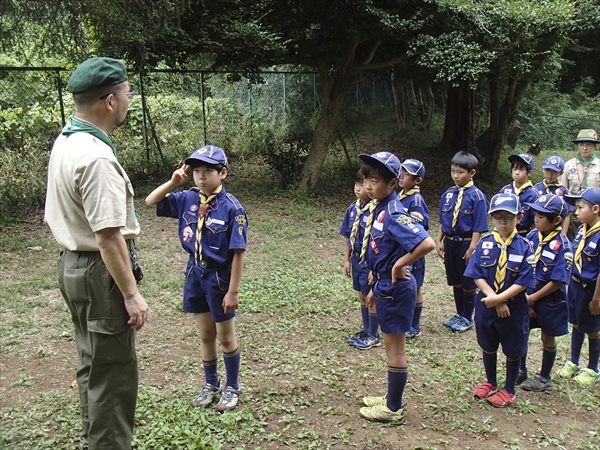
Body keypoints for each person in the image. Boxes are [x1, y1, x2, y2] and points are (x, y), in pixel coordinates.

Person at [44, 57, 149, 450]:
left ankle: (96, 442)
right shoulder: (97, 158)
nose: (128, 101)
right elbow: (108, 237)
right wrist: (131, 294)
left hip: (72, 267)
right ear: (109, 101)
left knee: (93, 363)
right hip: (98, 272)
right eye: (126, 94)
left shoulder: (67, 140)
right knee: (114, 374)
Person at [145, 145, 248, 410]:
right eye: (197, 171)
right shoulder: (187, 199)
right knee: (205, 334)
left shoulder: (232, 209)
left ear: (223, 173)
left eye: (208, 171)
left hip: (219, 279)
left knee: (225, 336)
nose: (201, 177)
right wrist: (173, 181)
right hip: (195, 274)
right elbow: (151, 201)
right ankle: (211, 384)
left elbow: (238, 253)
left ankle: (232, 387)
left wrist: (233, 291)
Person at [357, 151, 435, 425]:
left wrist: (398, 264)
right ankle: (391, 397)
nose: (368, 186)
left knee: (396, 350)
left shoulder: (393, 212)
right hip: (383, 284)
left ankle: (393, 408)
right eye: (367, 179)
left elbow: (426, 243)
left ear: (393, 184)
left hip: (396, 288)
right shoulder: (378, 208)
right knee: (391, 348)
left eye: (375, 181)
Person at [464, 193, 535, 407]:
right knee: (488, 344)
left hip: (513, 309)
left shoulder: (525, 246)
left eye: (508, 216)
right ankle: (491, 382)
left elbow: (524, 281)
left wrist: (502, 299)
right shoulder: (485, 244)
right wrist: (493, 298)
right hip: (486, 305)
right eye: (498, 216)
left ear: (519, 217)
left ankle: (510, 389)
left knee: (513, 348)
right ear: (490, 218)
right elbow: (476, 274)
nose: (503, 221)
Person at [519, 195, 572, 391]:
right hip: (527, 295)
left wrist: (533, 299)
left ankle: (544, 377)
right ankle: (520, 369)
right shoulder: (532, 237)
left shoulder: (564, 246)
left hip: (550, 301)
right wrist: (527, 298)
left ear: (557, 220)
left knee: (547, 337)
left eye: (542, 216)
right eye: (536, 214)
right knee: (522, 331)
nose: (536, 218)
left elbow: (558, 281)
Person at [436, 151, 489, 333]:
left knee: (467, 281)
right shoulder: (448, 194)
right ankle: (459, 314)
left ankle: (467, 316)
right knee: (455, 280)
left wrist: (473, 247)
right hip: (450, 243)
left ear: (471, 173)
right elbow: (443, 220)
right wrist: (439, 240)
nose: (455, 176)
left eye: (460, 172)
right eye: (453, 171)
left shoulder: (477, 197)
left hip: (467, 243)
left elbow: (479, 225)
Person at [558, 188, 600, 384]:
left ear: (596, 209)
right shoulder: (582, 230)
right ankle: (574, 361)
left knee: (592, 328)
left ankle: (593, 368)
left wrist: (596, 299)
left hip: (592, 290)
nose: (576, 212)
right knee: (576, 323)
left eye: (580, 208)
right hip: (575, 285)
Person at [339, 171, 381, 349]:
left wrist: (374, 268)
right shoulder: (353, 209)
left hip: (369, 262)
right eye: (356, 184)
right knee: (362, 295)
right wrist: (347, 260)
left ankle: (374, 334)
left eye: (362, 184)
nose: (358, 188)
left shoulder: (376, 211)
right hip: (356, 259)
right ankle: (366, 330)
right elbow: (348, 236)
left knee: (371, 297)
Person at [398, 158, 429, 339]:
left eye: (407, 174)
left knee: (415, 287)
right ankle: (406, 321)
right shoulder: (402, 196)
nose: (402, 176)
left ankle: (414, 325)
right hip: (403, 250)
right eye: (402, 171)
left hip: (413, 252)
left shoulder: (415, 200)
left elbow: (418, 229)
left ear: (418, 180)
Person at [559, 129, 600, 240]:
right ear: (577, 146)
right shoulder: (568, 165)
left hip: (594, 213)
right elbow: (562, 189)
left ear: (595, 146)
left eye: (588, 145)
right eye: (581, 144)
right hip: (573, 213)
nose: (585, 148)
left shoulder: (599, 166)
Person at [499, 154, 540, 236]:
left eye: (521, 169)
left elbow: (535, 223)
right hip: (503, 234)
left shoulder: (533, 195)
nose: (517, 172)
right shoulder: (504, 191)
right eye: (515, 169)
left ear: (529, 172)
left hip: (523, 235)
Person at [532, 156, 571, 232]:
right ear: (543, 169)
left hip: (556, 230)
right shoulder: (536, 188)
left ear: (561, 173)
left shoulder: (563, 191)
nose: (550, 174)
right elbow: (532, 213)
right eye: (547, 170)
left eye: (554, 171)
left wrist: (564, 233)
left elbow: (567, 215)